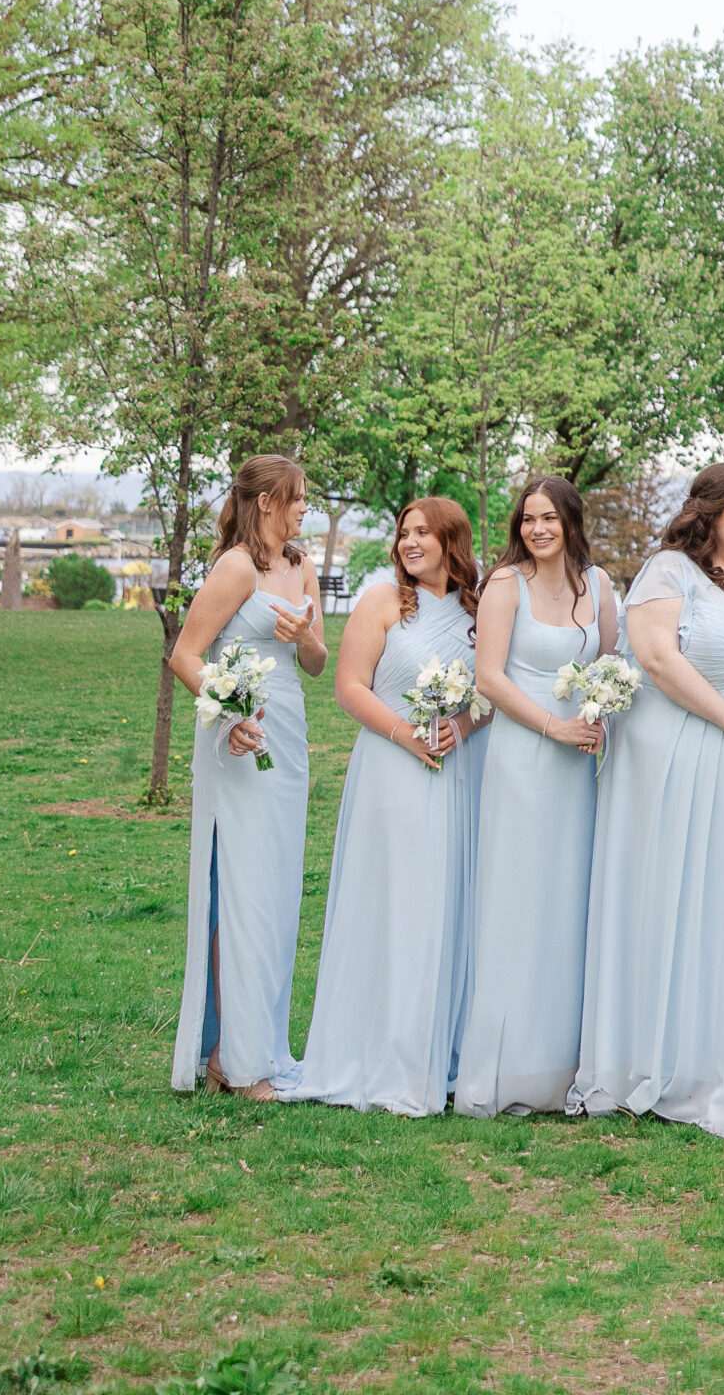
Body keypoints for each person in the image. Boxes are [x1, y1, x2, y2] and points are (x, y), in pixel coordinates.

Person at [572, 464, 724, 1138]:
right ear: (708, 511)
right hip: (695, 756)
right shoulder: (668, 572)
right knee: (702, 898)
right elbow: (657, 659)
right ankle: (681, 1058)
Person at [297, 497, 489, 1115]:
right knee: (391, 901)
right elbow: (348, 686)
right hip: (389, 765)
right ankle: (373, 1053)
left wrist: (456, 729)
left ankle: (438, 1052)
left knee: (445, 903)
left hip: (455, 770)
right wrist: (406, 734)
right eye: (403, 533)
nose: (408, 543)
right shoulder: (382, 601)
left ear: (452, 541)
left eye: (423, 534)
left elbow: (490, 693)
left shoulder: (477, 611)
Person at [455, 475, 619, 1118]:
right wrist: (553, 725)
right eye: (528, 520)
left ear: (570, 521)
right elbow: (489, 678)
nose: (538, 530)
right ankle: (505, 1071)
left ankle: (562, 1068)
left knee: (568, 902)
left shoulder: (599, 586)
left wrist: (600, 715)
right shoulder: (504, 585)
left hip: (579, 762)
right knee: (518, 901)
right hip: (523, 756)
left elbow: (610, 664)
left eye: (549, 518)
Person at [171, 455, 325, 1098]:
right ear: (265, 501)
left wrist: (304, 635)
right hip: (238, 738)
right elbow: (183, 653)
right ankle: (234, 1059)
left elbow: (316, 662)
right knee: (243, 890)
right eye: (295, 499)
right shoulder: (237, 567)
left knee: (278, 891)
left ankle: (248, 1050)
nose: (302, 510)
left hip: (288, 735)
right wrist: (228, 712)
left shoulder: (300, 565)